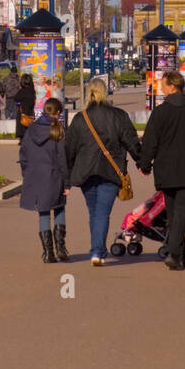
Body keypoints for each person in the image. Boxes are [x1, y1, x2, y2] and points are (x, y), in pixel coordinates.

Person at [65, 77, 142, 265]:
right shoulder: (118, 116)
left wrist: (67, 176)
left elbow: (69, 150)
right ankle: (97, 251)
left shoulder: (79, 118)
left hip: (85, 173)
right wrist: (142, 162)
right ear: (105, 92)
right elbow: (131, 141)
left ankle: (96, 249)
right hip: (110, 171)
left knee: (94, 212)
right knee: (101, 213)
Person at [137, 70, 185, 270]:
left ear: (171, 86)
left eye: (162, 83)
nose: (160, 86)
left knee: (173, 214)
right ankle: (179, 252)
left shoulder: (161, 112)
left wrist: (144, 164)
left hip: (166, 170)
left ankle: (175, 253)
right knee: (180, 213)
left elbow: (150, 142)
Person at [20, 98, 70, 263]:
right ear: (57, 113)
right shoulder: (58, 131)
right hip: (54, 176)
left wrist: (27, 173)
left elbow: (23, 154)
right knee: (59, 208)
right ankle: (61, 249)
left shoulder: (31, 129)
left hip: (35, 176)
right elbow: (63, 159)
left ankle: (48, 253)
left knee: (43, 212)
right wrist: (67, 182)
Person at [15, 73, 36, 142]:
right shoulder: (32, 91)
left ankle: (22, 140)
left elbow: (16, 98)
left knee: (22, 127)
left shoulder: (22, 91)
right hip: (30, 112)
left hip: (23, 112)